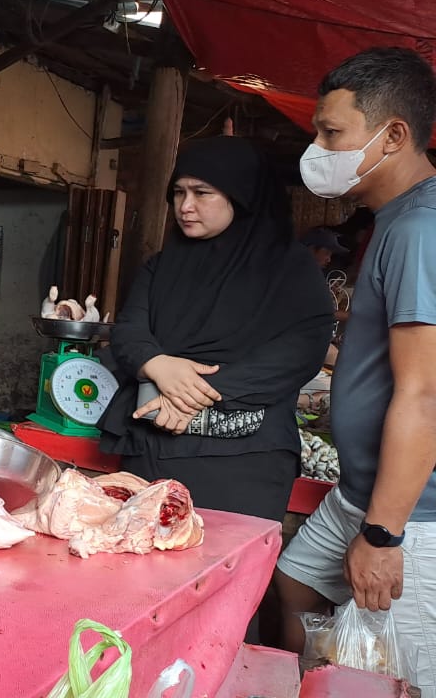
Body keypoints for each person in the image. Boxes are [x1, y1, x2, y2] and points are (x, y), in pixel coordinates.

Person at [276, 47, 436, 693]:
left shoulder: (422, 229)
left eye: (330, 133)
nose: (317, 148)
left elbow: (424, 394)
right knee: (297, 582)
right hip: (358, 490)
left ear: (392, 136)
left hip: (412, 512)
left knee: (400, 670)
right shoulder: (392, 220)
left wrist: (384, 535)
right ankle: (321, 683)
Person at [99, 136, 333, 523]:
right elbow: (128, 330)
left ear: (241, 196)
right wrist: (157, 364)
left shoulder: (288, 270)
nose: (185, 206)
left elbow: (300, 350)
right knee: (142, 553)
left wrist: (193, 394)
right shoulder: (162, 267)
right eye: (178, 192)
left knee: (222, 556)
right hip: (151, 447)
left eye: (201, 193)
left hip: (242, 461)